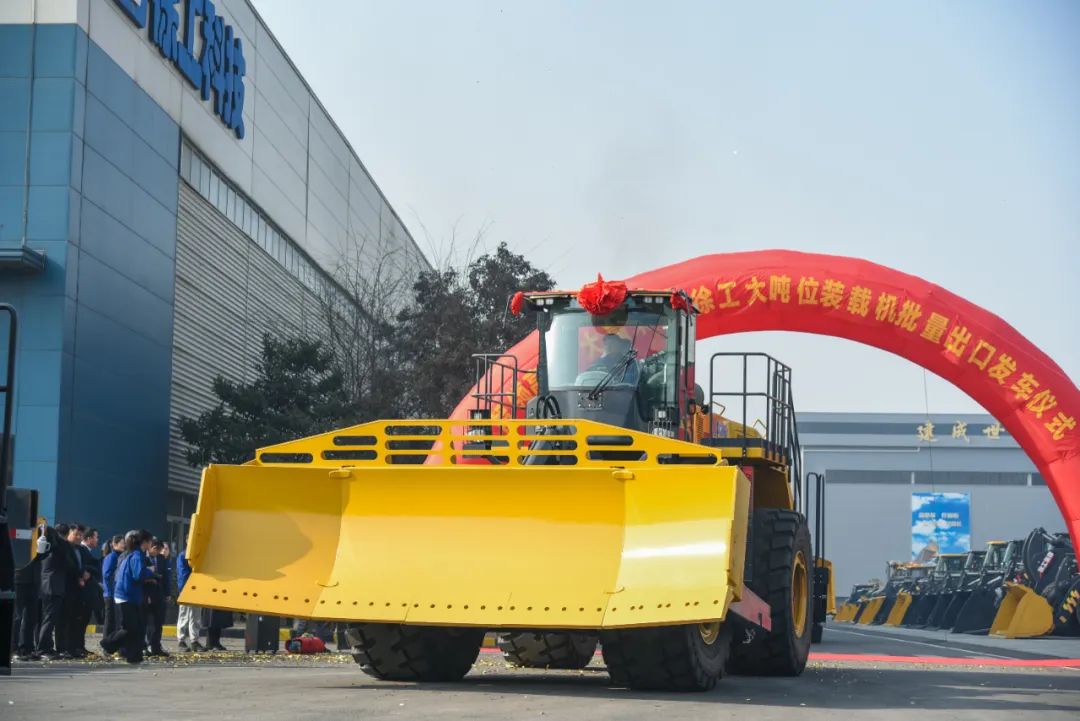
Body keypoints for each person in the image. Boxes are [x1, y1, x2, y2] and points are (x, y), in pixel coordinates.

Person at [102, 530, 153, 664]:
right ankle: (108, 643)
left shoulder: (134, 554)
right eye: (150, 541)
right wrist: (150, 572)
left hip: (129, 595)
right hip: (126, 596)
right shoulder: (136, 555)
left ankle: (134, 656)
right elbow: (138, 575)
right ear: (145, 542)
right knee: (129, 629)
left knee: (136, 628)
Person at [36, 523, 71, 659]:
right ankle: (43, 648)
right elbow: (67, 564)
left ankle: (46, 646)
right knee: (49, 619)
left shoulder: (47, 548)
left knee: (47, 619)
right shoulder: (60, 546)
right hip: (54, 588)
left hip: (46, 586)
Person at [70, 525, 102, 657]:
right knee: (78, 622)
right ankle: (75, 647)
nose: (97, 540)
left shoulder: (86, 551)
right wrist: (85, 572)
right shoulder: (80, 550)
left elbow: (95, 567)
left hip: (87, 593)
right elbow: (80, 567)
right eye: (96, 537)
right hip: (80, 592)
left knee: (84, 621)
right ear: (88, 538)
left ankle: (80, 646)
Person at [143, 538, 170, 657]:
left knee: (159, 622)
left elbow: (166, 578)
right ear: (151, 547)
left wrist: (167, 594)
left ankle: (156, 646)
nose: (158, 552)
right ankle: (146, 645)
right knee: (148, 622)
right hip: (147, 595)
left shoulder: (161, 559)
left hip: (160, 595)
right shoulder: (143, 558)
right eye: (156, 550)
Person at [175, 546, 204, 652]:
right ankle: (181, 639)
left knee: (195, 615)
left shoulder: (198, 555)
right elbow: (182, 575)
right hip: (187, 589)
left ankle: (194, 640)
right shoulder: (184, 555)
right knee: (184, 615)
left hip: (197, 589)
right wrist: (184, 590)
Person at [100, 535, 124, 643]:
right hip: (110, 594)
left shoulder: (120, 556)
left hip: (116, 593)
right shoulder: (112, 557)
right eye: (122, 543)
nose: (124, 545)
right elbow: (107, 575)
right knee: (109, 621)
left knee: (115, 621)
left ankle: (112, 643)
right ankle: (106, 642)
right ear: (114, 544)